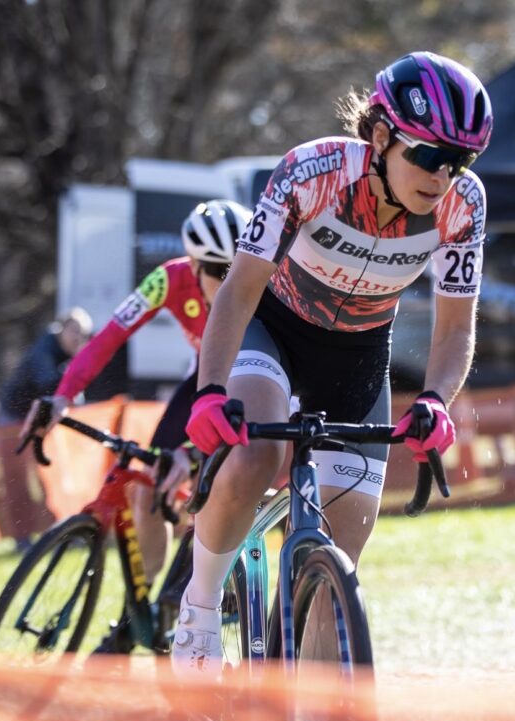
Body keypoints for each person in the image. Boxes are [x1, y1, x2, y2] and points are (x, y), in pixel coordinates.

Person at [170, 51, 492, 675]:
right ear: (380, 135)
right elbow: (238, 291)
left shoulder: (464, 205)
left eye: (460, 161)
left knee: (343, 559)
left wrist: (434, 401)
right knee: (257, 455)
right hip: (275, 330)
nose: (442, 175)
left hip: (359, 355)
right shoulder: (311, 172)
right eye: (428, 154)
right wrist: (209, 392)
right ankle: (200, 608)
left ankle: (312, 719)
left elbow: (456, 327)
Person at [20, 199, 251, 584]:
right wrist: (62, 396)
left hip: (248, 381)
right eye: (216, 270)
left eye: (234, 269)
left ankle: (207, 586)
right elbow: (108, 337)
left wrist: (193, 453)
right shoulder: (167, 279)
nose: (228, 280)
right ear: (194, 265)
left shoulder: (255, 281)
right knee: (147, 490)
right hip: (204, 380)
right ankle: (150, 603)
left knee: (218, 490)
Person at [0, 307, 94, 423]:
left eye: (83, 335)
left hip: (35, 413)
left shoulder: (68, 354)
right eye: (74, 331)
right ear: (62, 329)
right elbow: (46, 383)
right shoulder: (45, 348)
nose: (77, 338)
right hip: (15, 413)